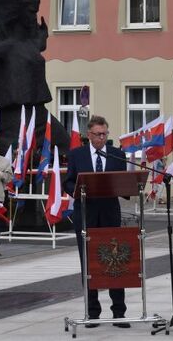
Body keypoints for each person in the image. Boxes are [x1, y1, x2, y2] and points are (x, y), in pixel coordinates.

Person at [63, 115, 129, 329]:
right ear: (89, 135)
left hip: (110, 214)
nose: (102, 138)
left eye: (105, 134)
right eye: (98, 134)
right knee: (89, 264)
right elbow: (69, 181)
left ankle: (119, 313)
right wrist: (77, 191)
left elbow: (124, 181)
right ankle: (92, 313)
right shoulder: (77, 155)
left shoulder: (118, 155)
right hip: (86, 214)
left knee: (115, 262)